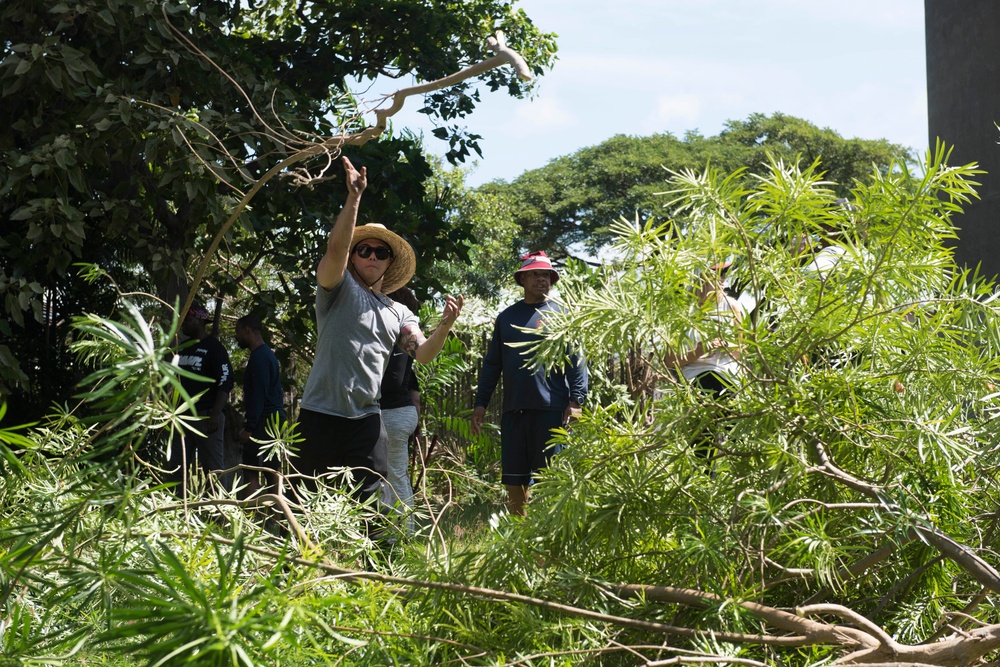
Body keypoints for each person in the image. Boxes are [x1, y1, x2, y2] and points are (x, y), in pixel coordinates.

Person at [295, 156, 463, 509]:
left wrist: (445, 326)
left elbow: (423, 353)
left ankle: (377, 565)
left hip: (367, 420)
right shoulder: (336, 288)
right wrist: (354, 197)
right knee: (307, 506)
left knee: (374, 511)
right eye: (364, 249)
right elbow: (334, 249)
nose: (372, 255)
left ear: (389, 261)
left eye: (380, 252)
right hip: (319, 414)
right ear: (354, 257)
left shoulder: (399, 310)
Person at [471, 251, 588, 516]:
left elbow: (577, 360)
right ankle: (519, 537)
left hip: (551, 411)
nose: (541, 279)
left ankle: (550, 536)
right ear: (522, 279)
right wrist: (481, 404)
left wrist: (577, 400)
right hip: (514, 411)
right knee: (514, 479)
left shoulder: (562, 315)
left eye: (546, 274)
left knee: (551, 480)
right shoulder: (507, 317)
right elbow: (493, 364)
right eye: (535, 274)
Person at [663, 261, 744, 463]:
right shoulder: (682, 313)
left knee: (734, 411)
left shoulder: (731, 306)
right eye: (717, 273)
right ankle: (705, 472)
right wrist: (700, 350)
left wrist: (725, 346)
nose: (723, 278)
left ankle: (733, 465)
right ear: (699, 277)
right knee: (708, 394)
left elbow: (740, 351)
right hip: (696, 377)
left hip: (727, 375)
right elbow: (669, 361)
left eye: (725, 272)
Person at [169, 300, 235, 496]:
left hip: (207, 418)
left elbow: (226, 381)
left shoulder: (215, 348)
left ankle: (220, 516)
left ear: (199, 321)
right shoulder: (183, 348)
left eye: (187, 319)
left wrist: (215, 414)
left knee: (213, 470)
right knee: (175, 469)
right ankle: (175, 511)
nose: (183, 324)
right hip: (182, 419)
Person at [379, 287, 422, 535]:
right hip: (401, 412)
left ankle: (402, 535)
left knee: (394, 476)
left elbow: (393, 381)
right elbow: (413, 388)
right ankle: (396, 533)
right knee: (396, 476)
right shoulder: (405, 341)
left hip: (393, 413)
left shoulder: (396, 337)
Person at [234, 313, 287, 499]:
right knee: (272, 470)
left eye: (238, 332)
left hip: (265, 422)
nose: (236, 337)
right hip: (272, 421)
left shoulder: (260, 358)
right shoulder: (266, 356)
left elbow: (258, 396)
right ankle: (275, 517)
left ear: (248, 330)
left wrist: (249, 429)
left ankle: (253, 518)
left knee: (252, 471)